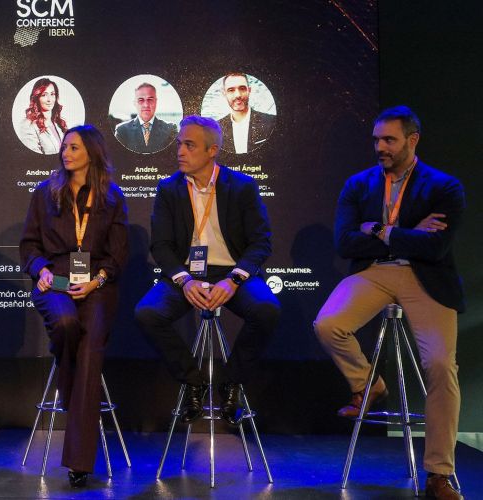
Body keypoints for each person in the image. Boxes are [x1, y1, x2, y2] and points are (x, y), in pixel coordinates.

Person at [313, 106, 464, 500]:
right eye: (377, 139)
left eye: (389, 140)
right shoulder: (358, 184)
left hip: (426, 277)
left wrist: (381, 229)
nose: (380, 147)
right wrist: (407, 234)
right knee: (328, 324)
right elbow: (345, 242)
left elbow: (435, 247)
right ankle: (369, 384)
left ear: (412, 140)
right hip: (375, 272)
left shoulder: (444, 186)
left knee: (440, 366)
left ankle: (438, 474)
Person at [134, 115, 280, 426]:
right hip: (186, 275)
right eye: (179, 144)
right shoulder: (169, 189)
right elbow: (161, 245)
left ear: (212, 151)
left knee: (267, 309)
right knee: (147, 313)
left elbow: (261, 242)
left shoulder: (241, 187)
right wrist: (184, 280)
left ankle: (231, 382)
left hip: (233, 273)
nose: (180, 152)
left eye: (189, 145)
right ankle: (193, 381)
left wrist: (235, 279)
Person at [19, 125, 128, 488]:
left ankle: (79, 463)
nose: (66, 153)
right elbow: (29, 245)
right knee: (66, 324)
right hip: (56, 281)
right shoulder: (45, 192)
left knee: (90, 351)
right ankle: (73, 394)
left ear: (92, 153)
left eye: (74, 148)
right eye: (64, 147)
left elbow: (118, 254)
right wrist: (41, 270)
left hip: (97, 285)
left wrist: (97, 280)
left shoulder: (112, 197)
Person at [216, 73, 276, 154]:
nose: (237, 95)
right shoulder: (215, 129)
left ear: (249, 91)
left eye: (242, 88)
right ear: (224, 94)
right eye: (231, 90)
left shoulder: (271, 122)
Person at [113, 83, 178, 154]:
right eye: (141, 100)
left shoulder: (170, 129)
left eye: (150, 99)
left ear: (156, 102)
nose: (146, 105)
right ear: (135, 103)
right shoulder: (122, 130)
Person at [18, 78, 69, 154]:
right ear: (37, 98)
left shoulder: (59, 123)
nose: (49, 99)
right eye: (44, 95)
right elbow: (34, 157)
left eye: (52, 94)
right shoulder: (28, 125)